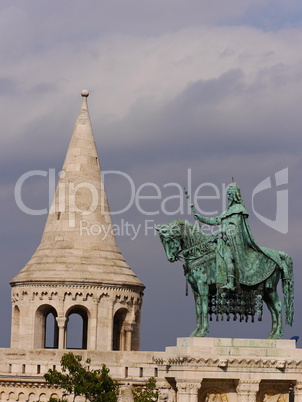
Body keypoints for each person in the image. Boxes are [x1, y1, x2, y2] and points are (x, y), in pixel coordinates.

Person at [192, 181, 284, 291]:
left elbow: (234, 228)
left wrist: (220, 230)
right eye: (228, 195)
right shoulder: (228, 212)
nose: (228, 197)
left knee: (228, 258)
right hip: (225, 242)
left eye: (230, 194)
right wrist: (200, 218)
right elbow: (215, 220)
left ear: (235, 195)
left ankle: (231, 283)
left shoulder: (238, 210)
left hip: (235, 244)